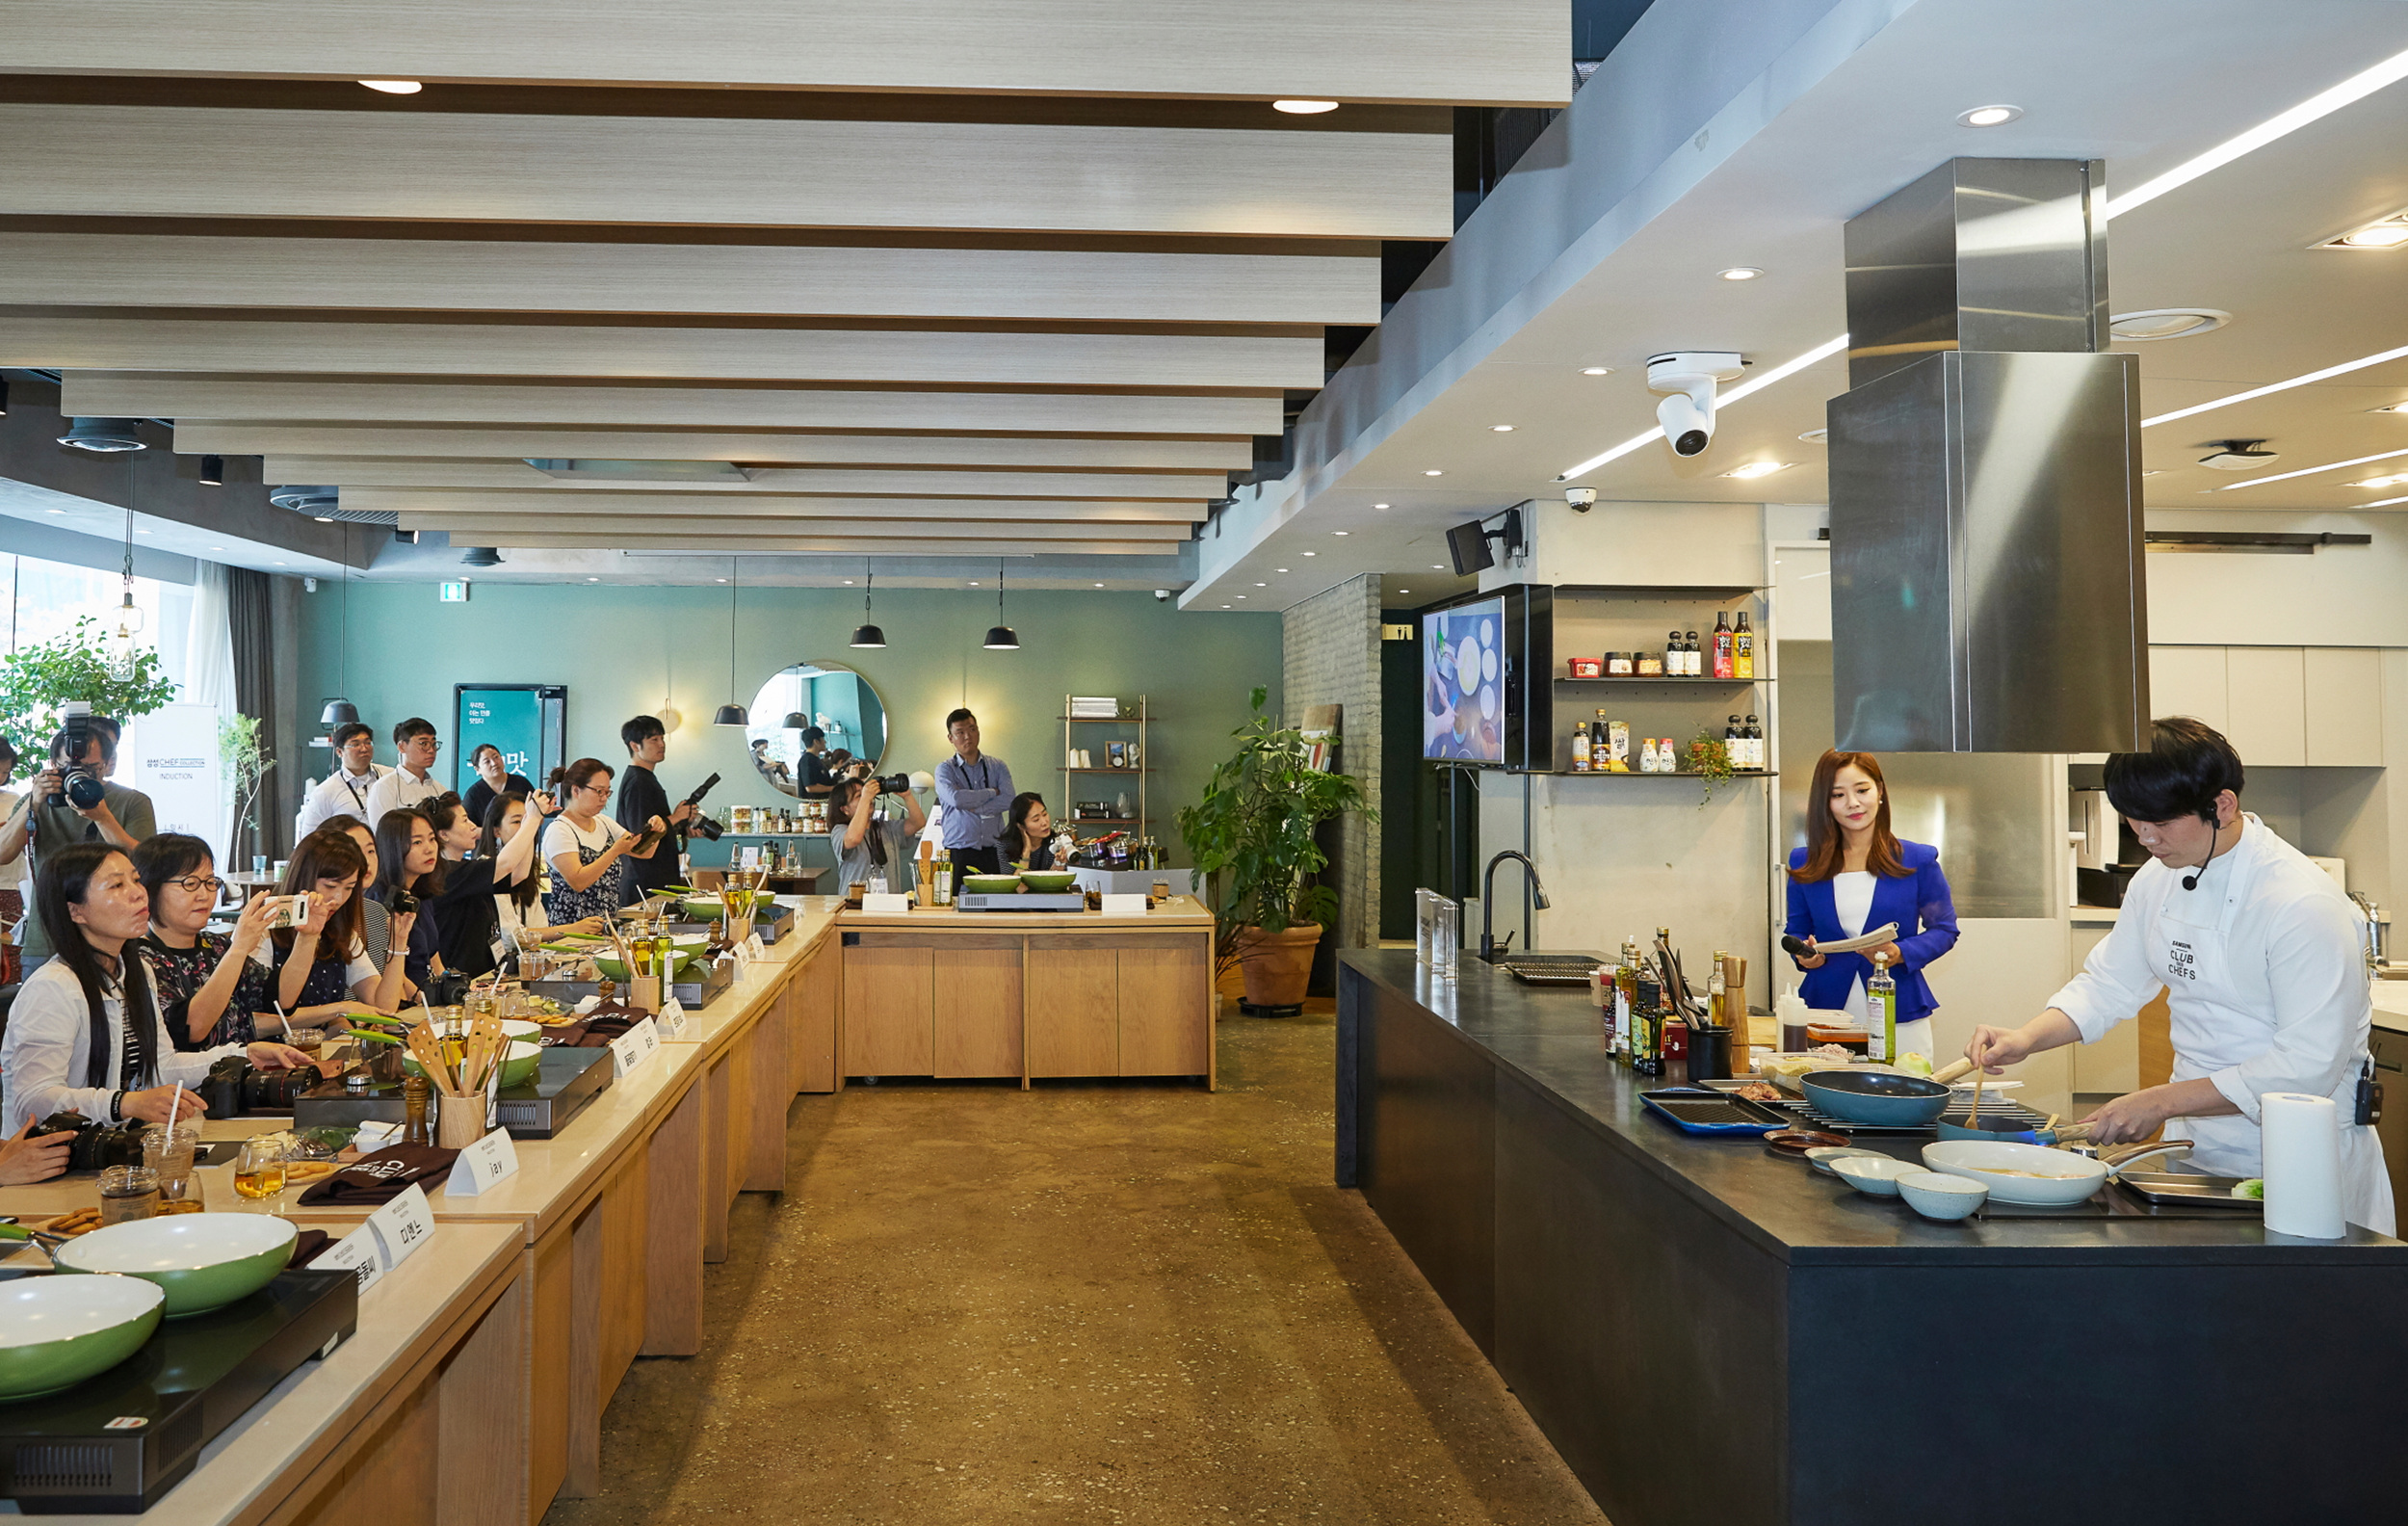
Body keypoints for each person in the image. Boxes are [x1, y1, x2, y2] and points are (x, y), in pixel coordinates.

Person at [1967, 718, 2395, 1234]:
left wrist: (2160, 1101)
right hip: (2197, 1145)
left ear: (2222, 805)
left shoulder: (2301, 903)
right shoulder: (2158, 878)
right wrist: (2026, 1039)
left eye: (2161, 823)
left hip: (2300, 1153)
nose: (2146, 838)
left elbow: (2307, 1065)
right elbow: (2110, 983)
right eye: (2133, 822)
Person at [1, 843, 310, 1136]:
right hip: (50, 1159)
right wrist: (126, 1103)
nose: (138, 893)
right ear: (75, 911)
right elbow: (34, 1099)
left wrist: (244, 1054)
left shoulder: (135, 972)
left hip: (112, 1147)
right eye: (116, 885)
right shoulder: (53, 988)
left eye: (136, 880)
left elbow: (162, 1066)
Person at [1784, 750, 1959, 1061]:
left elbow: (1944, 930)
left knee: (1903, 1088)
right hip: (1825, 1014)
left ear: (1880, 791)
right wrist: (1804, 955)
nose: (1853, 803)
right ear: (1825, 802)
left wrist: (1900, 952)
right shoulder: (1804, 861)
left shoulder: (1917, 859)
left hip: (1899, 1010)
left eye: (1862, 790)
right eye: (1838, 795)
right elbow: (1796, 931)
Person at [0, 717, 158, 967]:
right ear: (53, 765)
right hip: (47, 937)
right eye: (69, 767)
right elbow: (2, 853)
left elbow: (146, 865)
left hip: (113, 939)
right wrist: (34, 801)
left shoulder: (132, 802)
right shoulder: (37, 801)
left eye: (91, 767)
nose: (79, 774)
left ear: (107, 764)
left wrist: (103, 818)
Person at [132, 833, 282, 1049]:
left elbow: (280, 998)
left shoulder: (216, 946)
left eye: (210, 882)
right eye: (190, 883)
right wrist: (239, 949)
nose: (204, 895)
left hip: (243, 1068)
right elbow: (192, 1030)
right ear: (150, 889)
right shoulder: (140, 960)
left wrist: (308, 936)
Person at [264, 830, 410, 1023]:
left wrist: (398, 945)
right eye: (331, 886)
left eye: (349, 888)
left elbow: (382, 1007)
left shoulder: (342, 934)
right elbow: (265, 1016)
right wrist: (340, 1010)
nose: (339, 899)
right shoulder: (264, 929)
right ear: (304, 878)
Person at [541, 759, 664, 926]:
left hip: (607, 924)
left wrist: (655, 830)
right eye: (599, 791)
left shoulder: (604, 822)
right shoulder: (560, 830)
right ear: (576, 790)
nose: (604, 798)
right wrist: (614, 851)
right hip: (572, 928)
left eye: (607, 792)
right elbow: (578, 882)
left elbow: (643, 851)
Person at [483, 792, 604, 955]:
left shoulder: (526, 868)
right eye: (517, 821)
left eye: (527, 820)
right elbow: (512, 937)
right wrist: (573, 928)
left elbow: (538, 926)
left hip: (531, 958)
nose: (525, 827)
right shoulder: (485, 871)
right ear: (497, 831)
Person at [616, 715, 694, 902]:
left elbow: (659, 827)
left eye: (662, 738)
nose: (662, 744)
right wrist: (676, 817)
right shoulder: (638, 782)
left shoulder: (645, 778)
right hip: (644, 885)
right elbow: (641, 838)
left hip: (655, 880)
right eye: (654, 740)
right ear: (635, 746)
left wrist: (682, 828)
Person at [934, 708, 1011, 890]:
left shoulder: (997, 766)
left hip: (992, 850)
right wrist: (991, 792)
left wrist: (977, 808)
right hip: (959, 851)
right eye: (960, 732)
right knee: (956, 902)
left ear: (978, 731)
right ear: (950, 738)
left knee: (995, 902)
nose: (968, 736)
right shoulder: (945, 770)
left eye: (972, 729)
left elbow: (1008, 799)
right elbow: (957, 799)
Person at [372, 808, 447, 990]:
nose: (429, 849)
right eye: (417, 842)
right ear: (393, 847)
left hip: (429, 995)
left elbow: (434, 958)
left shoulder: (421, 894)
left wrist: (448, 988)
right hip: (401, 998)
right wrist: (422, 999)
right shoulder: (378, 901)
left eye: (432, 839)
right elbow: (384, 970)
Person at [826, 774, 925, 896]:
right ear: (845, 809)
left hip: (889, 903)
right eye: (859, 796)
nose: (869, 798)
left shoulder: (885, 828)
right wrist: (866, 798)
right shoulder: (840, 831)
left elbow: (918, 823)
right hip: (856, 902)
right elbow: (854, 838)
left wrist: (907, 796)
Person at [322, 817, 393, 975]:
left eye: (370, 851)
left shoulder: (377, 912)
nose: (365, 862)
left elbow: (383, 980)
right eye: (354, 853)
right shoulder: (324, 913)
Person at [295, 721, 390, 837]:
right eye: (355, 744)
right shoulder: (325, 791)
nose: (364, 749)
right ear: (339, 751)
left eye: (368, 743)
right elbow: (310, 836)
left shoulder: (389, 776)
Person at [363, 717, 445, 820]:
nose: (431, 750)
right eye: (424, 744)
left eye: (433, 744)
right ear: (402, 747)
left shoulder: (439, 790)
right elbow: (382, 828)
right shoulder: (385, 787)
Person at [460, 744, 535, 830]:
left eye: (496, 757)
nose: (494, 763)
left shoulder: (521, 783)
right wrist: (495, 833)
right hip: (488, 839)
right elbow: (469, 829)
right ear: (477, 769)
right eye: (487, 762)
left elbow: (537, 812)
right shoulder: (473, 794)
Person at [0, 736, 24, 946]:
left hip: (7, 886)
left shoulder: (14, 801)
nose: (1, 777)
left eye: (5, 772)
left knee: (10, 948)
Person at [1002, 792, 1065, 871]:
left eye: (1045, 814)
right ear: (1021, 826)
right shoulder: (1005, 844)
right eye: (1036, 819)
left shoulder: (1056, 842)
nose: (1044, 822)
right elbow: (1011, 879)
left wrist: (1058, 865)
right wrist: (1026, 853)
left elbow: (1055, 878)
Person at [798, 726, 837, 798]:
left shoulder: (816, 759)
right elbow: (810, 788)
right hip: (813, 802)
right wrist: (833, 788)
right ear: (816, 741)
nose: (825, 742)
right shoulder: (807, 760)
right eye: (823, 739)